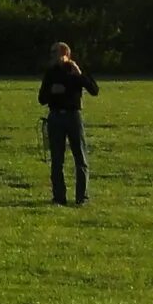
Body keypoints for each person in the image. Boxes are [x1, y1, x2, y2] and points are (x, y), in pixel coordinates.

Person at [38, 40, 99, 205]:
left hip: (73, 116)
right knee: (57, 160)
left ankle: (82, 197)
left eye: (54, 52)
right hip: (56, 117)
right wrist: (52, 92)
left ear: (64, 53)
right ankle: (59, 197)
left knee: (80, 158)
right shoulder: (51, 73)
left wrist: (79, 75)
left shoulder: (75, 70)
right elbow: (41, 99)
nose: (51, 56)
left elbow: (94, 90)